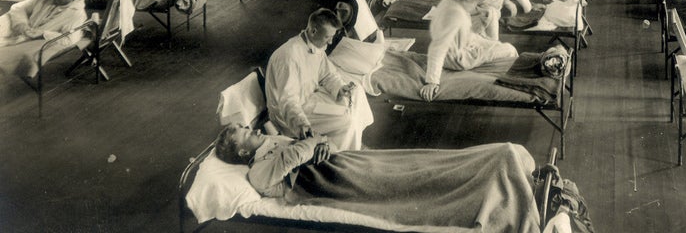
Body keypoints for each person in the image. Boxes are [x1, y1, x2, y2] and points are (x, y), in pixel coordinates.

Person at [213, 127, 540, 233]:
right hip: (329, 181)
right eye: (245, 132)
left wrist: (318, 142)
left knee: (418, 163)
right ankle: (497, 182)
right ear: (242, 153)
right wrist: (312, 143)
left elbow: (312, 144)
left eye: (246, 125)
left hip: (342, 162)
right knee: (413, 184)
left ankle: (502, 162)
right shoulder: (256, 171)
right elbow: (295, 156)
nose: (252, 128)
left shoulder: (271, 142)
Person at [265, 8, 374, 151]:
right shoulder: (289, 57)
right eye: (327, 37)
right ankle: (346, 154)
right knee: (346, 120)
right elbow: (288, 101)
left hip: (309, 99)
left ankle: (353, 140)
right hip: (291, 116)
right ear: (313, 31)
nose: (329, 43)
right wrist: (301, 124)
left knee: (357, 91)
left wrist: (340, 88)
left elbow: (328, 75)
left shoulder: (315, 45)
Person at [419, 0, 518, 102]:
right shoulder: (455, 15)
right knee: (510, 49)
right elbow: (437, 48)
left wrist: (504, 1)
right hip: (459, 58)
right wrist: (432, 82)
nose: (478, 0)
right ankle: (513, 81)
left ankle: (496, 55)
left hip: (466, 41)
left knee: (492, 26)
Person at [0, 0, 87, 78]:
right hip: (23, 29)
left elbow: (70, 40)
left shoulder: (76, 14)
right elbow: (19, 8)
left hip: (37, 39)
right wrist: (21, 23)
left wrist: (43, 33)